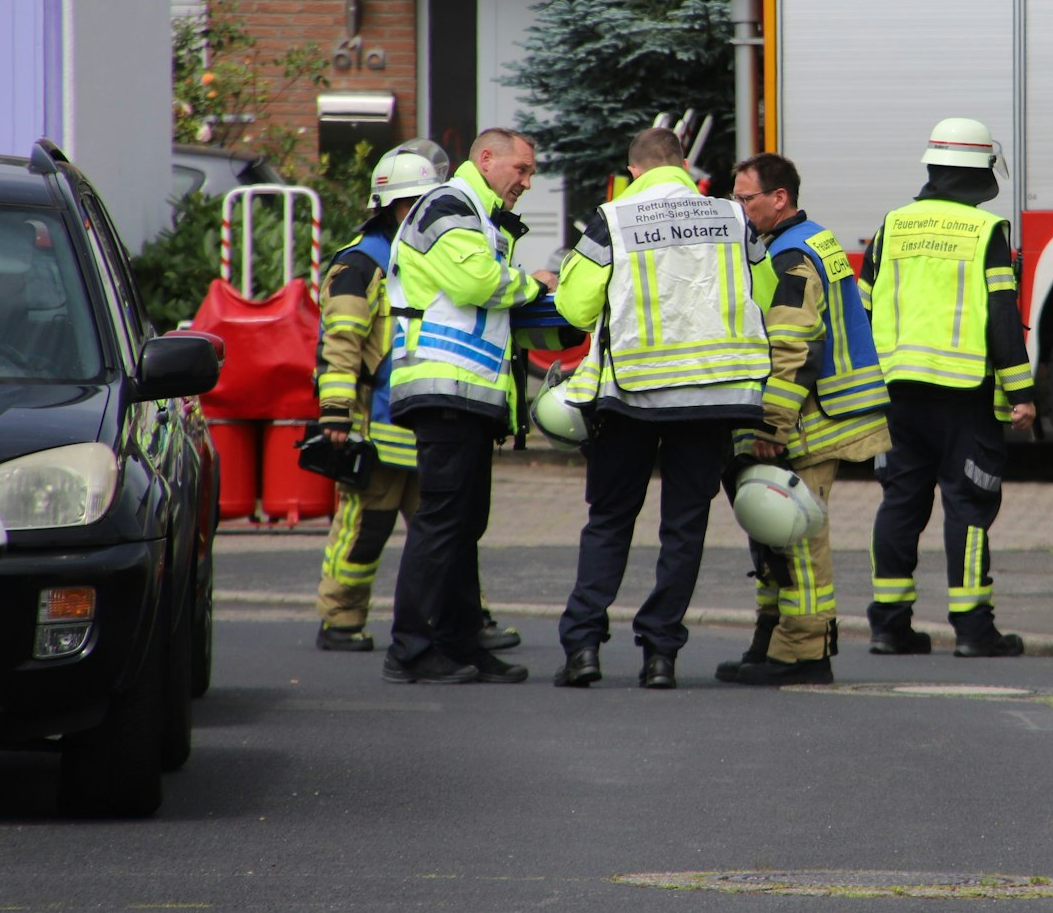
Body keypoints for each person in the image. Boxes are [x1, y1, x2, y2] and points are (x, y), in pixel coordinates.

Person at [548, 127, 769, 690]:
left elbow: (575, 307)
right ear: (684, 165)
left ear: (635, 171)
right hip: (714, 398)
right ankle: (660, 655)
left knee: (610, 520)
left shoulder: (615, 218)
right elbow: (759, 292)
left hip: (632, 399)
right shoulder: (732, 216)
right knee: (683, 528)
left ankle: (583, 650)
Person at [312, 140, 525, 656]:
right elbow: (340, 343)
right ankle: (341, 616)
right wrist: (336, 414)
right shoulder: (361, 264)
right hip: (380, 424)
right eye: (418, 202)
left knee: (450, 534)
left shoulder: (427, 250)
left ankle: (466, 619)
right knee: (364, 530)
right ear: (397, 206)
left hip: (426, 414)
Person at [382, 128, 554, 683]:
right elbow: (477, 282)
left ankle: (459, 643)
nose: (526, 182)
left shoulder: (476, 214)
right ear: (486, 158)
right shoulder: (450, 205)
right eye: (521, 170)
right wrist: (537, 284)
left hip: (467, 393)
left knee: (462, 523)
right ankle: (410, 650)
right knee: (441, 523)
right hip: (444, 388)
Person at [861, 117, 1036, 659]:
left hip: (897, 393)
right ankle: (972, 629)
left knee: (900, 502)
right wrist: (1022, 391)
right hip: (964, 394)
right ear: (981, 173)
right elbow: (1002, 319)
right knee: (968, 505)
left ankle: (889, 625)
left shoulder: (894, 224)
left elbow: (865, 305)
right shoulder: (986, 233)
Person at [718, 152, 891, 685]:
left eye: (746, 199)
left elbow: (792, 348)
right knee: (774, 533)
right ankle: (771, 638)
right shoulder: (810, 239)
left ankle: (803, 654)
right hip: (820, 413)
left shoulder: (789, 256)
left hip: (808, 422)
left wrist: (771, 427)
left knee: (796, 537)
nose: (738, 209)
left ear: (779, 199)